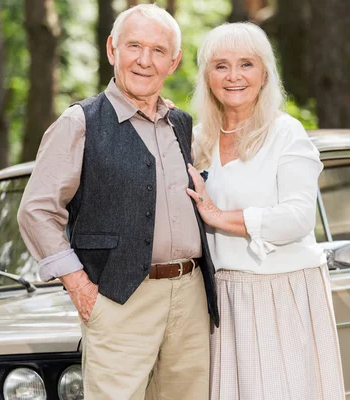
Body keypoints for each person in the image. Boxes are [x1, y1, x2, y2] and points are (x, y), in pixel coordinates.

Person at [17, 4, 218, 399]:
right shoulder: (80, 122)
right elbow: (37, 211)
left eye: (159, 51)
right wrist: (78, 286)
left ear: (173, 62)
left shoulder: (181, 123)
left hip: (191, 296)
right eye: (134, 46)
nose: (145, 60)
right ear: (113, 50)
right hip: (119, 298)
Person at [185, 22, 346, 399]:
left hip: (282, 292)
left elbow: (299, 217)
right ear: (207, 76)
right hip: (221, 297)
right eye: (221, 65)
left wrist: (221, 217)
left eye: (246, 64)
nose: (233, 76)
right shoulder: (196, 140)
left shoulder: (285, 132)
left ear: (264, 74)